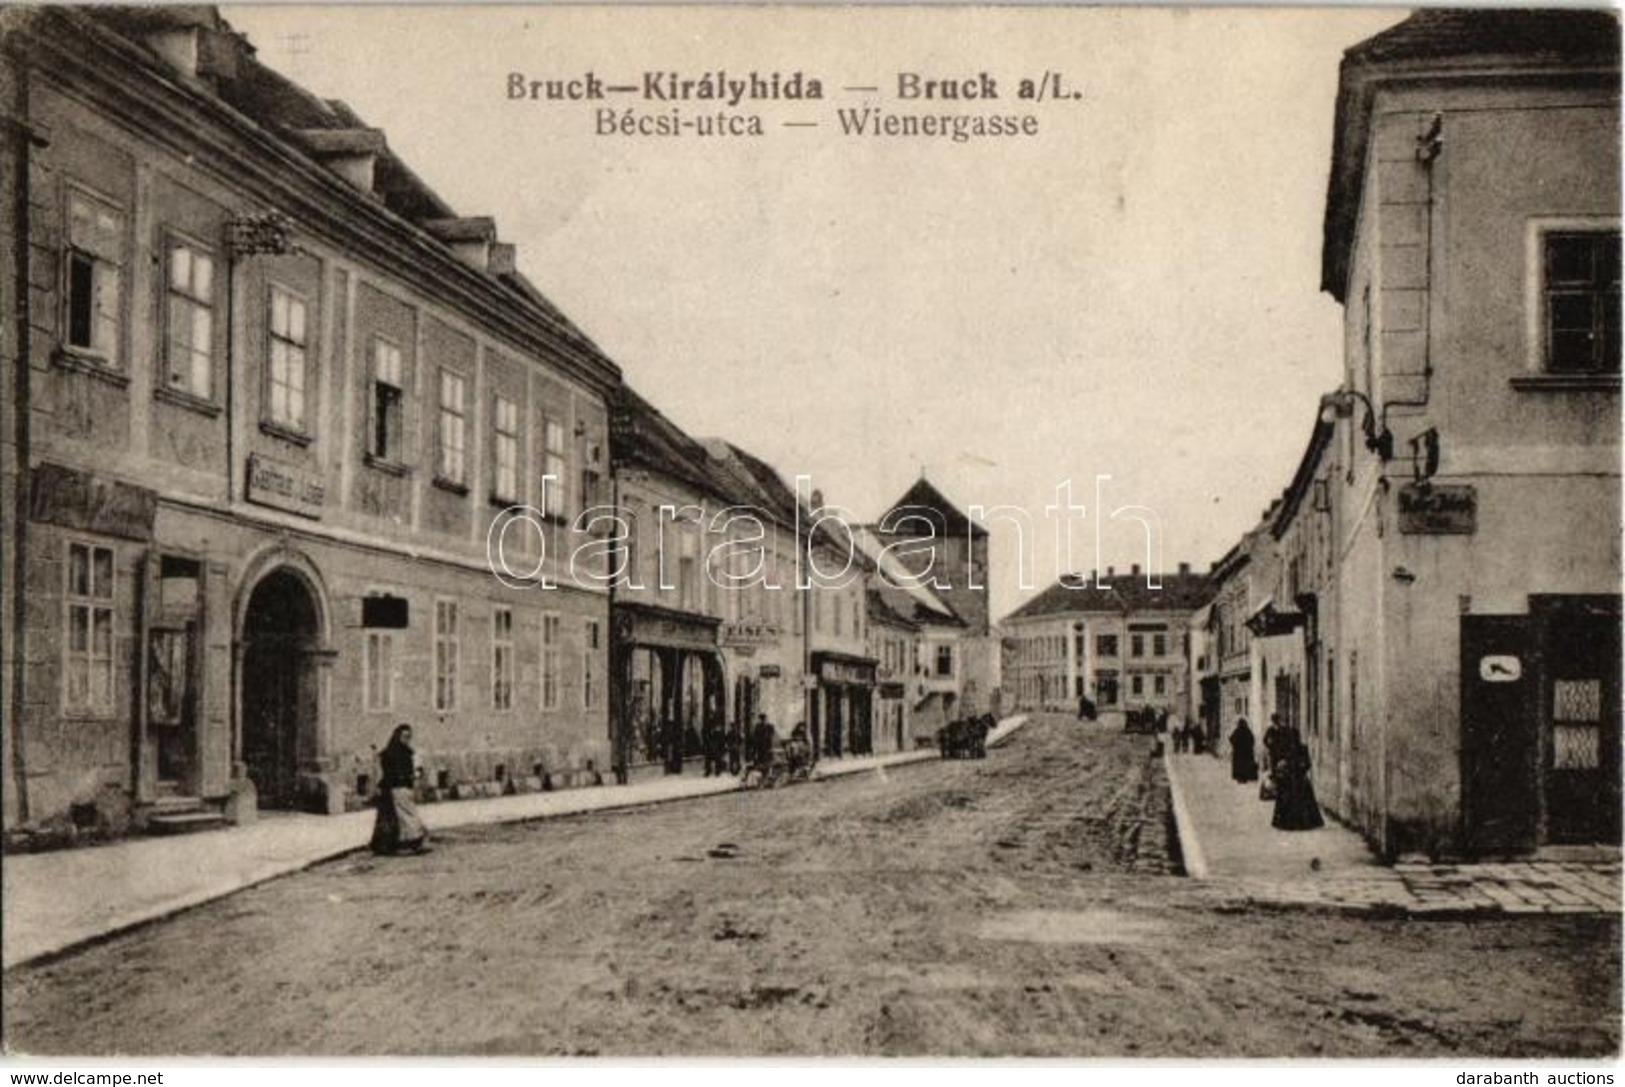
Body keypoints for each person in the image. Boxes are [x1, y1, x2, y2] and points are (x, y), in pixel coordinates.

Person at [370, 724, 429, 855]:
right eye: (404, 736)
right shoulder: (389, 753)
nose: (407, 739)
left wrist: (416, 774)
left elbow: (416, 768)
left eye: (409, 737)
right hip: (394, 788)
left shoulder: (408, 753)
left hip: (404, 788)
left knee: (404, 817)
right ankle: (410, 843)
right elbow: (384, 771)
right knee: (404, 817)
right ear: (397, 736)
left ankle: (404, 843)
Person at [1272, 732, 1325, 831]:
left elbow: (1306, 763)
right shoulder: (1296, 749)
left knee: (1291, 801)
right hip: (1298, 780)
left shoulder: (1290, 749)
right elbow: (1307, 764)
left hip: (1293, 780)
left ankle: (1289, 823)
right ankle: (1302, 823)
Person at [1229, 717, 1259, 783]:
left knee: (1239, 766)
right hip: (1246, 753)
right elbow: (1252, 740)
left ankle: (1240, 778)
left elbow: (1231, 739)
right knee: (1245, 765)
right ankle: (1245, 777)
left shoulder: (1237, 731)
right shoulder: (1248, 731)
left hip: (1238, 753)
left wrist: (1235, 745)